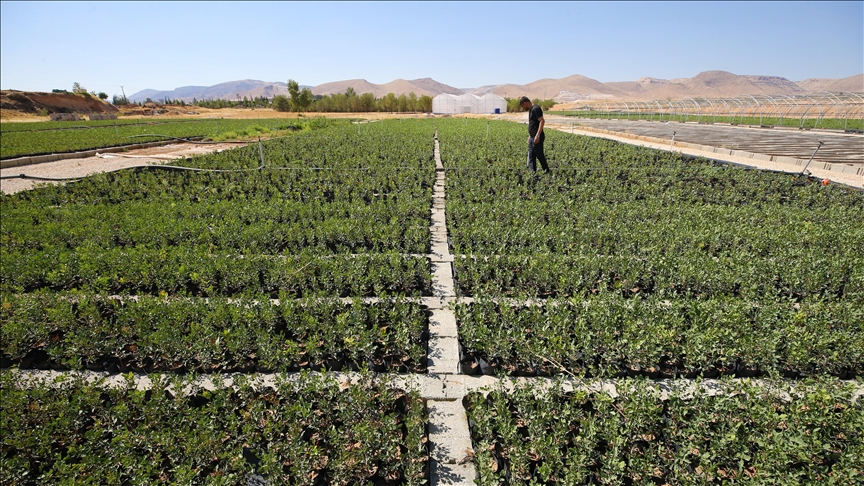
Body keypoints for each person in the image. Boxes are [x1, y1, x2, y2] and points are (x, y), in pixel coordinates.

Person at [519, 96, 549, 173]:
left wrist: (537, 135)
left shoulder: (535, 109)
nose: (523, 108)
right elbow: (533, 124)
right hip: (533, 137)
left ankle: (547, 172)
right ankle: (533, 174)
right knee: (531, 157)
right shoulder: (531, 109)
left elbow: (542, 121)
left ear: (525, 103)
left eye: (522, 106)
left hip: (537, 137)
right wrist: (530, 136)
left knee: (539, 156)